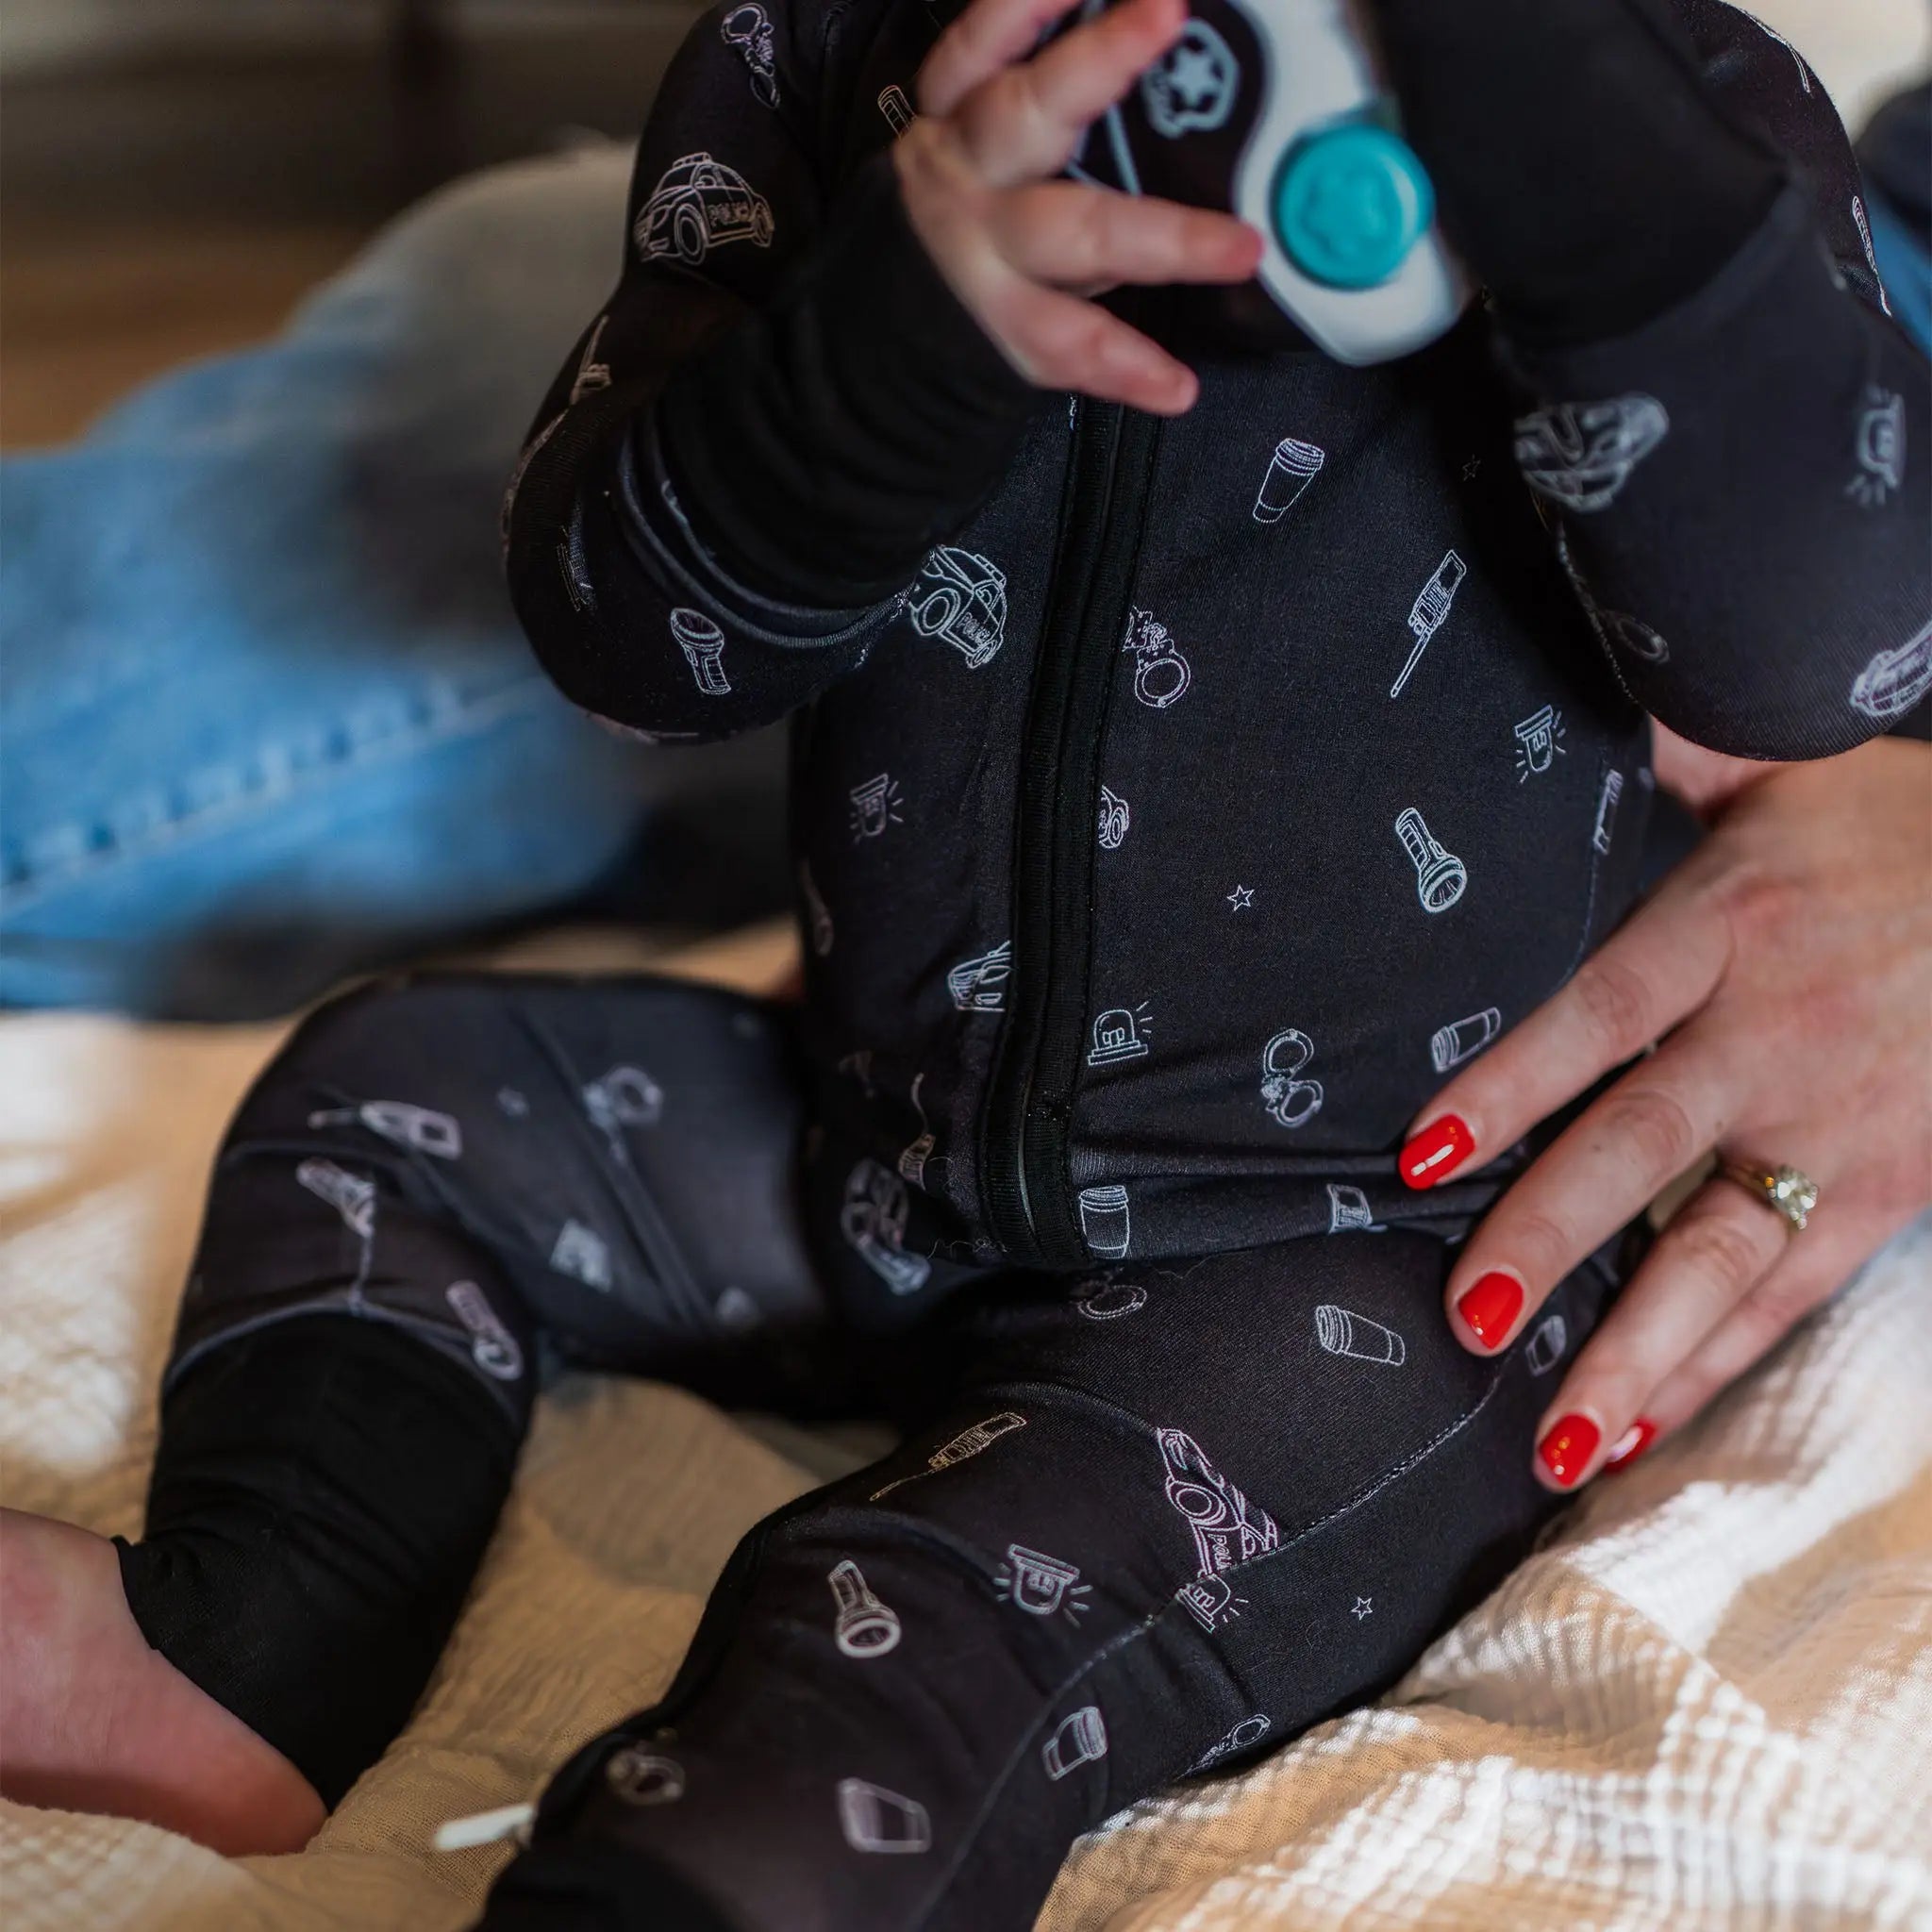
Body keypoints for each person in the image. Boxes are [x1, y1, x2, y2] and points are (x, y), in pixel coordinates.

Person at [0, 6, 1926, 1931]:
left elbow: (1819, 657)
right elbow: (632, 633)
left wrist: (1584, 170)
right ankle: (245, 1631)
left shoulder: (1667, 92)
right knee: (394, 1096)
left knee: (907, 1606)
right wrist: (882, 344)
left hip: (1355, 1259)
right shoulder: (824, 53)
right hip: (869, 1144)